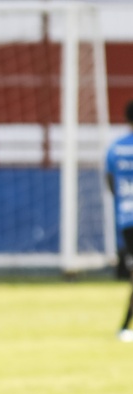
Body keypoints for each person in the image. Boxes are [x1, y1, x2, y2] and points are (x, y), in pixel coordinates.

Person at [106, 100, 133, 342]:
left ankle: (125, 327)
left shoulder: (115, 148)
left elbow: (110, 182)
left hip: (127, 217)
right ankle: (124, 327)